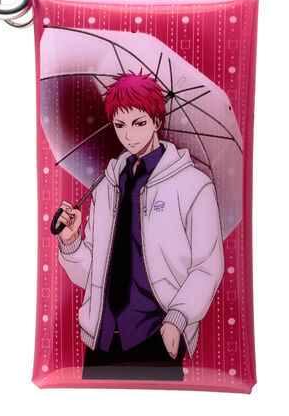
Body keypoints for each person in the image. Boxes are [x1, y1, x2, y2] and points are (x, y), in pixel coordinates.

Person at [55, 71, 224, 381]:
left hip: (158, 333)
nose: (129, 136)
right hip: (102, 335)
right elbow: (91, 275)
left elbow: (207, 266)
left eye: (139, 123)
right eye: (119, 125)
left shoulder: (194, 185)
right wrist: (72, 242)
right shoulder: (107, 184)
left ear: (157, 121)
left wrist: (177, 318)